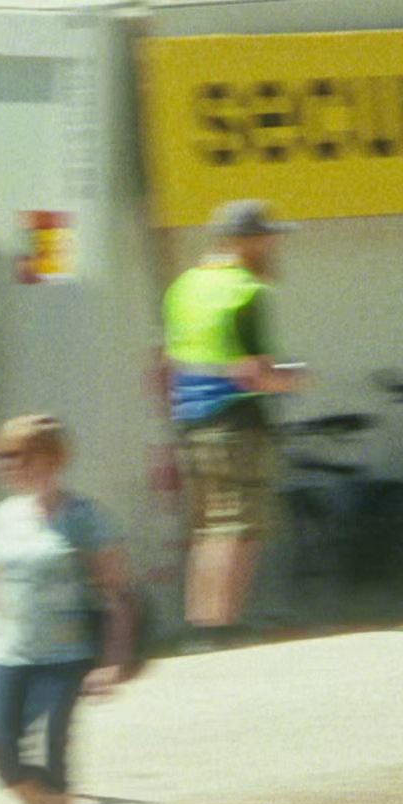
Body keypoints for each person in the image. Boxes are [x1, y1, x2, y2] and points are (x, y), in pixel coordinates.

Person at [0, 415, 138, 804]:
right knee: (2, 754)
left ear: (51, 459)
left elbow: (119, 595)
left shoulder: (89, 519)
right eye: (3, 458)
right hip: (5, 654)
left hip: (64, 657)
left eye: (19, 456)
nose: (8, 467)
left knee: (50, 754)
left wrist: (112, 661)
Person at [161, 199, 303, 645]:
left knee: (208, 528)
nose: (273, 245)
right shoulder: (248, 290)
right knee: (238, 527)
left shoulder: (183, 286)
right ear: (245, 241)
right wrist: (295, 380)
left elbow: (166, 363)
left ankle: (202, 626)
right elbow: (254, 373)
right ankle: (224, 628)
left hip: (191, 422)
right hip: (236, 422)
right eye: (266, 237)